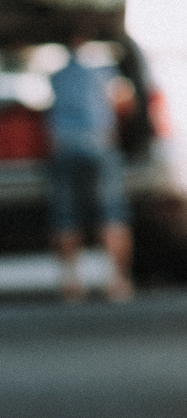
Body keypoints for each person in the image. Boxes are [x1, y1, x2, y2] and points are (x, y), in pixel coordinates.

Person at [47, 34, 133, 301]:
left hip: (64, 147)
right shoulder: (103, 72)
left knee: (66, 215)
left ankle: (71, 283)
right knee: (112, 212)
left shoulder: (56, 76)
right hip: (99, 144)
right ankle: (118, 282)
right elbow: (124, 102)